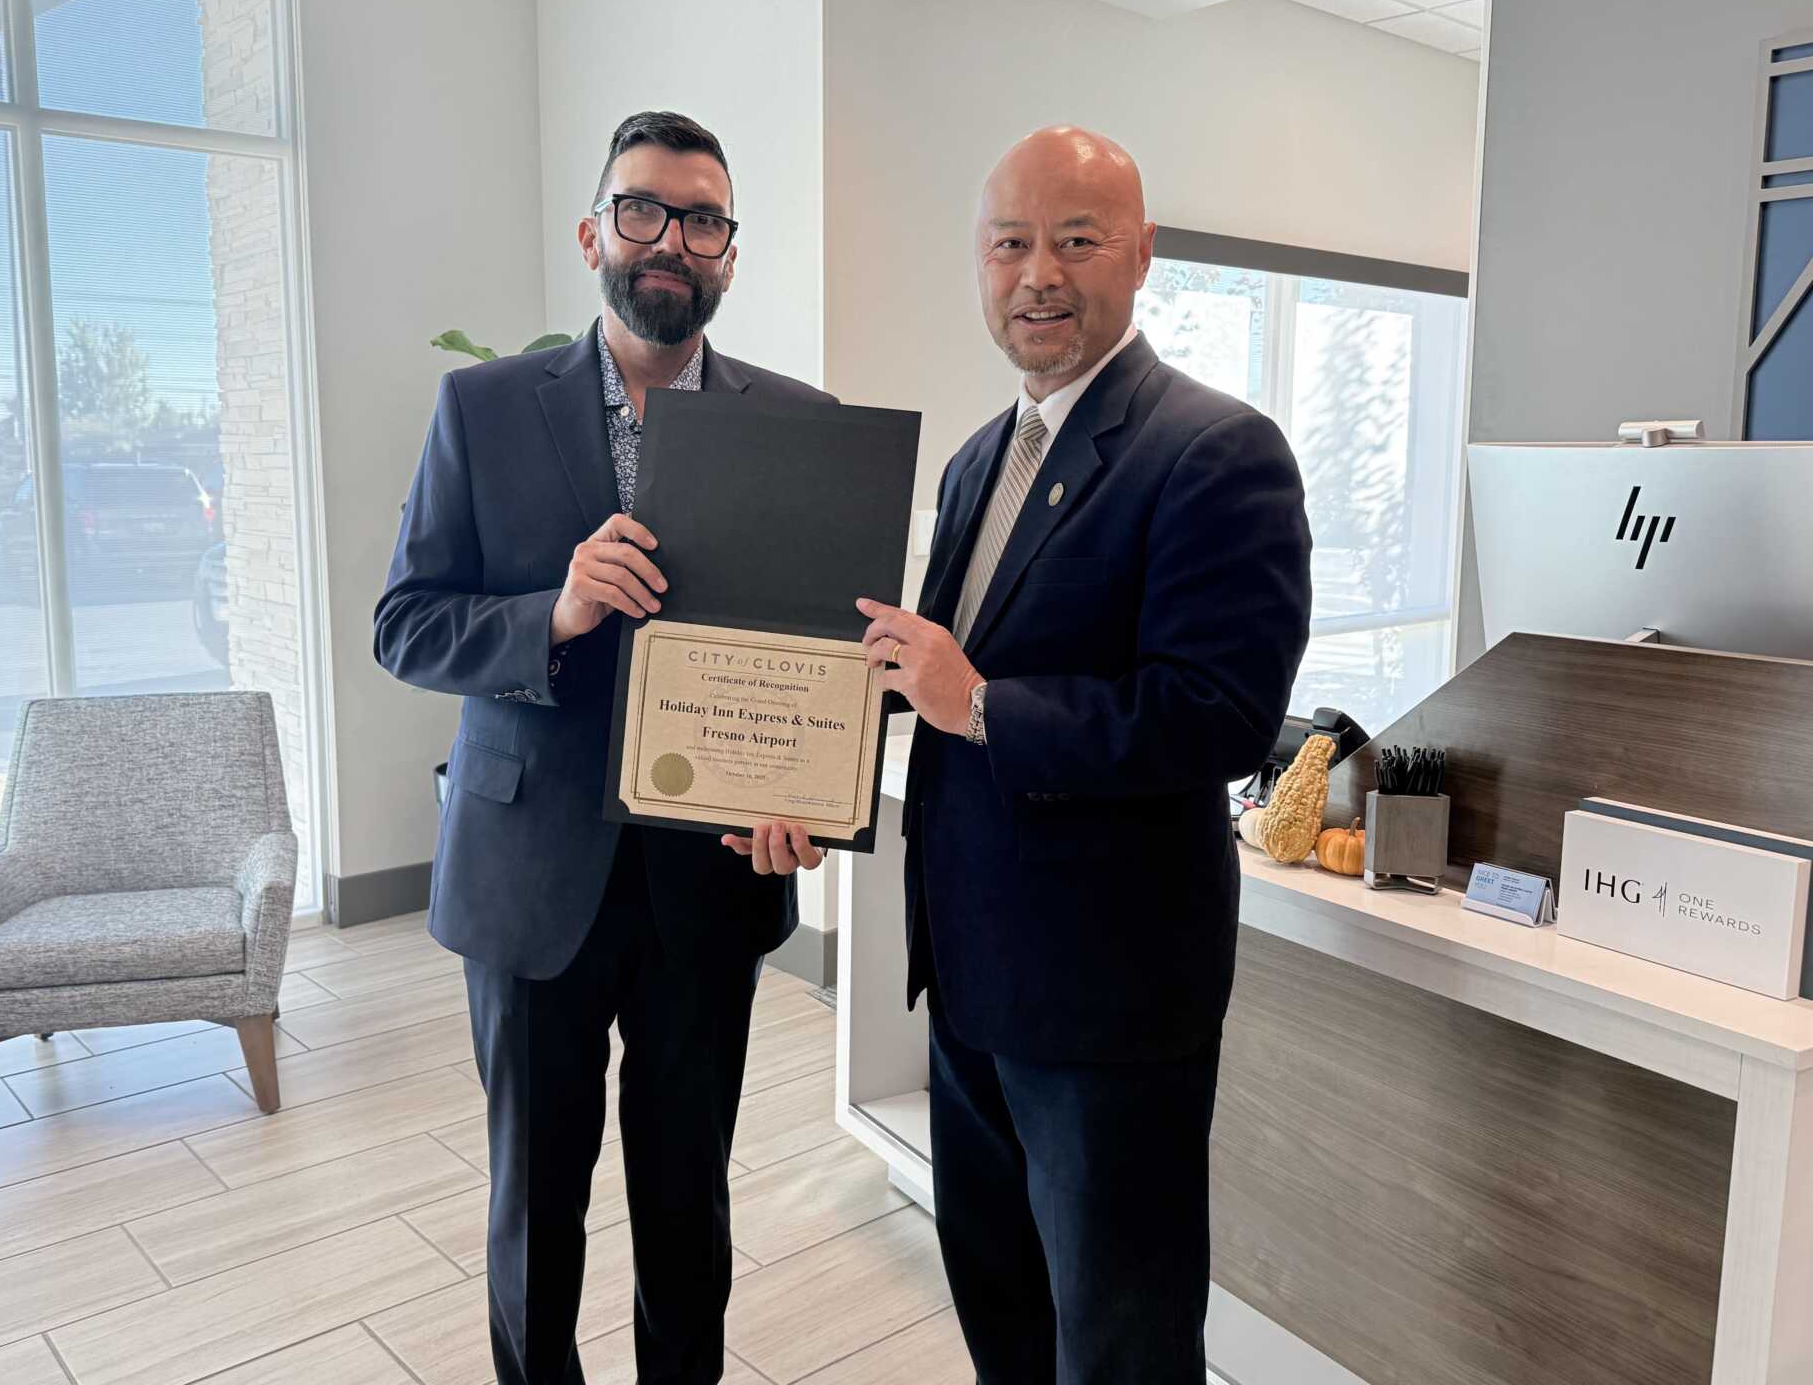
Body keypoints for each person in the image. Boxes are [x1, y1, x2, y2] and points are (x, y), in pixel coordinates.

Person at [375, 110, 831, 1385]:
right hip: (530, 878)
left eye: (702, 218)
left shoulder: (798, 425)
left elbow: (821, 656)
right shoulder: (480, 408)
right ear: (594, 234)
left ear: (730, 252)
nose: (670, 238)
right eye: (643, 209)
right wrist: (555, 614)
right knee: (536, 1205)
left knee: (689, 1200)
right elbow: (406, 623)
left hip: (713, 873)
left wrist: (808, 786)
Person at [858, 125, 1313, 1383]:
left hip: (1108, 1000)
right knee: (1001, 1307)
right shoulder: (977, 462)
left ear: (1143, 254)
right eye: (1010, 243)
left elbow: (1217, 714)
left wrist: (982, 706)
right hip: (970, 975)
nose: (1038, 274)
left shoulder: (1216, 451)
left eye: (1076, 239)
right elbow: (926, 682)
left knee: (1119, 1340)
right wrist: (806, 753)